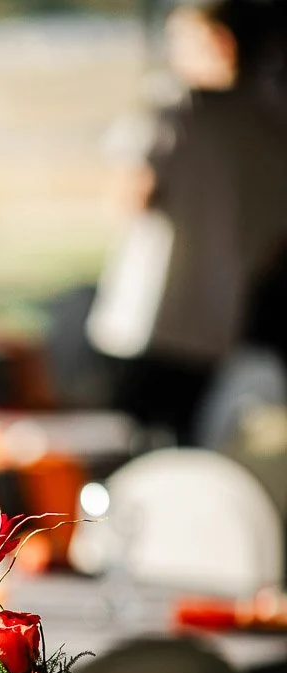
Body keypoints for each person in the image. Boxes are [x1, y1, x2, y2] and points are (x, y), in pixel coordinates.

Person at [87, 0, 287, 444]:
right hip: (225, 321)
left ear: (221, 42)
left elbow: (131, 197)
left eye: (182, 39)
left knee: (136, 445)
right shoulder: (273, 122)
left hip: (154, 320)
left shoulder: (177, 112)